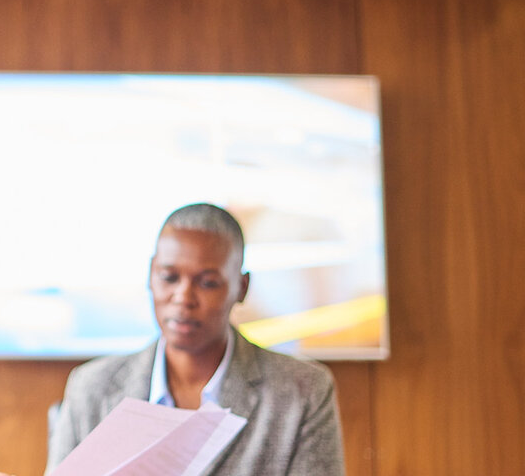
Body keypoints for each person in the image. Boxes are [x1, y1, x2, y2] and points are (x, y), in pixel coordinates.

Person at [47, 203, 345, 475]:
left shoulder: (301, 393)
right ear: (151, 275)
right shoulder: (92, 388)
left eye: (207, 282)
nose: (183, 298)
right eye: (169, 277)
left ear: (241, 288)